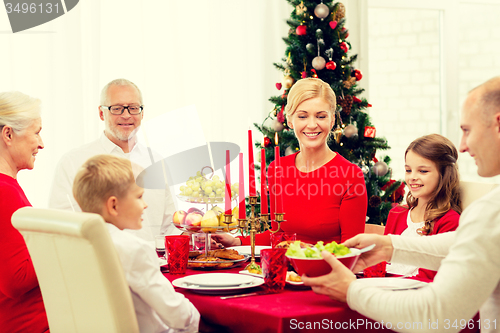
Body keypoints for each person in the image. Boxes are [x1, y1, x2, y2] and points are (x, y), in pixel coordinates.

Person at [302, 76, 500, 332]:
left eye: (467, 130)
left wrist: (351, 290)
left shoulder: (490, 211)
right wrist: (390, 245)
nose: (462, 146)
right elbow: (469, 242)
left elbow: (435, 316)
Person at [214, 78, 367, 247]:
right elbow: (278, 235)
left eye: (321, 116)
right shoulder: (276, 169)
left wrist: (308, 251)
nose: (312, 124)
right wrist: (237, 241)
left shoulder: (350, 175)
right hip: (283, 271)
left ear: (332, 120)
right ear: (290, 120)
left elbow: (353, 250)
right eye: (302, 116)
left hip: (329, 272)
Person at [73, 154, 200, 333]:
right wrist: (196, 318)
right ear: (114, 206)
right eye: (139, 196)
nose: (145, 204)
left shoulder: (76, 244)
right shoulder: (134, 250)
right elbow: (178, 315)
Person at [49, 78, 178, 242]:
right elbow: (60, 225)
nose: (126, 115)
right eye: (116, 108)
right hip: (97, 264)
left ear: (142, 112)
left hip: (152, 265)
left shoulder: (157, 162)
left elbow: (170, 226)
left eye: (133, 108)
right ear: (101, 113)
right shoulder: (73, 162)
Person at [0, 92, 49, 332]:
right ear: (8, 134)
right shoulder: (4, 192)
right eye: (37, 132)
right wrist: (57, 243)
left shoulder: (8, 187)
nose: (41, 143)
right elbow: (15, 280)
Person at [383, 134, 461, 281]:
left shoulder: (450, 221)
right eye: (408, 170)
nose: (412, 177)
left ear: (444, 174)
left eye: (423, 171)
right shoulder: (396, 213)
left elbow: (430, 279)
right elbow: (381, 263)